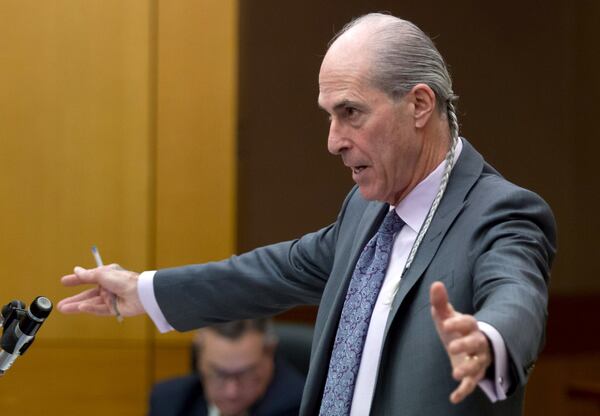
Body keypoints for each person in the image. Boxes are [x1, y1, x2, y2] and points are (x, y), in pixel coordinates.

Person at [58, 13, 556, 416]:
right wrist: (143, 290)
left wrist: (489, 339)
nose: (334, 141)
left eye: (351, 112)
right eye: (330, 116)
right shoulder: (366, 210)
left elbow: (516, 295)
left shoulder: (502, 213)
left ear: (419, 104)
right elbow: (272, 272)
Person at [148, 319, 305, 416]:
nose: (232, 392)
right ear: (198, 358)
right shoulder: (170, 402)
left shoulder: (305, 406)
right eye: (218, 373)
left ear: (270, 353)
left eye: (246, 373)